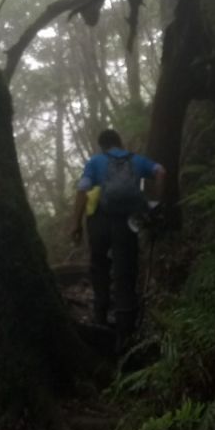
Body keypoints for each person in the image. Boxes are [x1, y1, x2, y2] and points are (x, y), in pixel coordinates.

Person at [71, 128, 166, 349]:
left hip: (99, 223)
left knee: (99, 265)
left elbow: (83, 189)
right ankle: (125, 331)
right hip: (127, 222)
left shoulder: (95, 162)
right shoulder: (137, 160)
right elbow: (161, 171)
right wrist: (157, 205)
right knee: (125, 270)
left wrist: (75, 223)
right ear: (120, 143)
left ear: (101, 146)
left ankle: (101, 316)